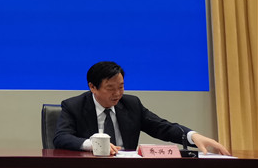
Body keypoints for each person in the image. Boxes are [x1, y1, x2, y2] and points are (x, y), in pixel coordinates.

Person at [54, 61, 230, 156]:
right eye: (110, 88)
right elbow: (61, 137)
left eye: (121, 87)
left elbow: (161, 127)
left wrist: (192, 136)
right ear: (92, 87)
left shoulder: (131, 104)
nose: (117, 93)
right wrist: (93, 145)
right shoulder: (74, 106)